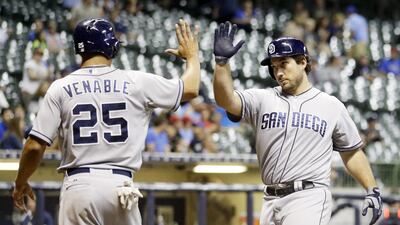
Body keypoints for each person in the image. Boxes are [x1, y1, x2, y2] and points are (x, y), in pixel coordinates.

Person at [13, 18, 200, 225]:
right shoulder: (136, 81)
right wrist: (192, 57)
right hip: (121, 187)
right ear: (112, 47)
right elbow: (191, 88)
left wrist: (21, 182)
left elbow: (33, 146)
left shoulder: (60, 87)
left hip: (79, 185)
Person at [212, 22, 382, 225]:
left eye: (284, 64)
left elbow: (351, 152)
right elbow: (226, 100)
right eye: (274, 67)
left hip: (308, 196)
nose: (278, 72)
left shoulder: (331, 106)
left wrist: (372, 189)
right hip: (270, 198)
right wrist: (221, 64)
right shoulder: (262, 99)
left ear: (303, 62)